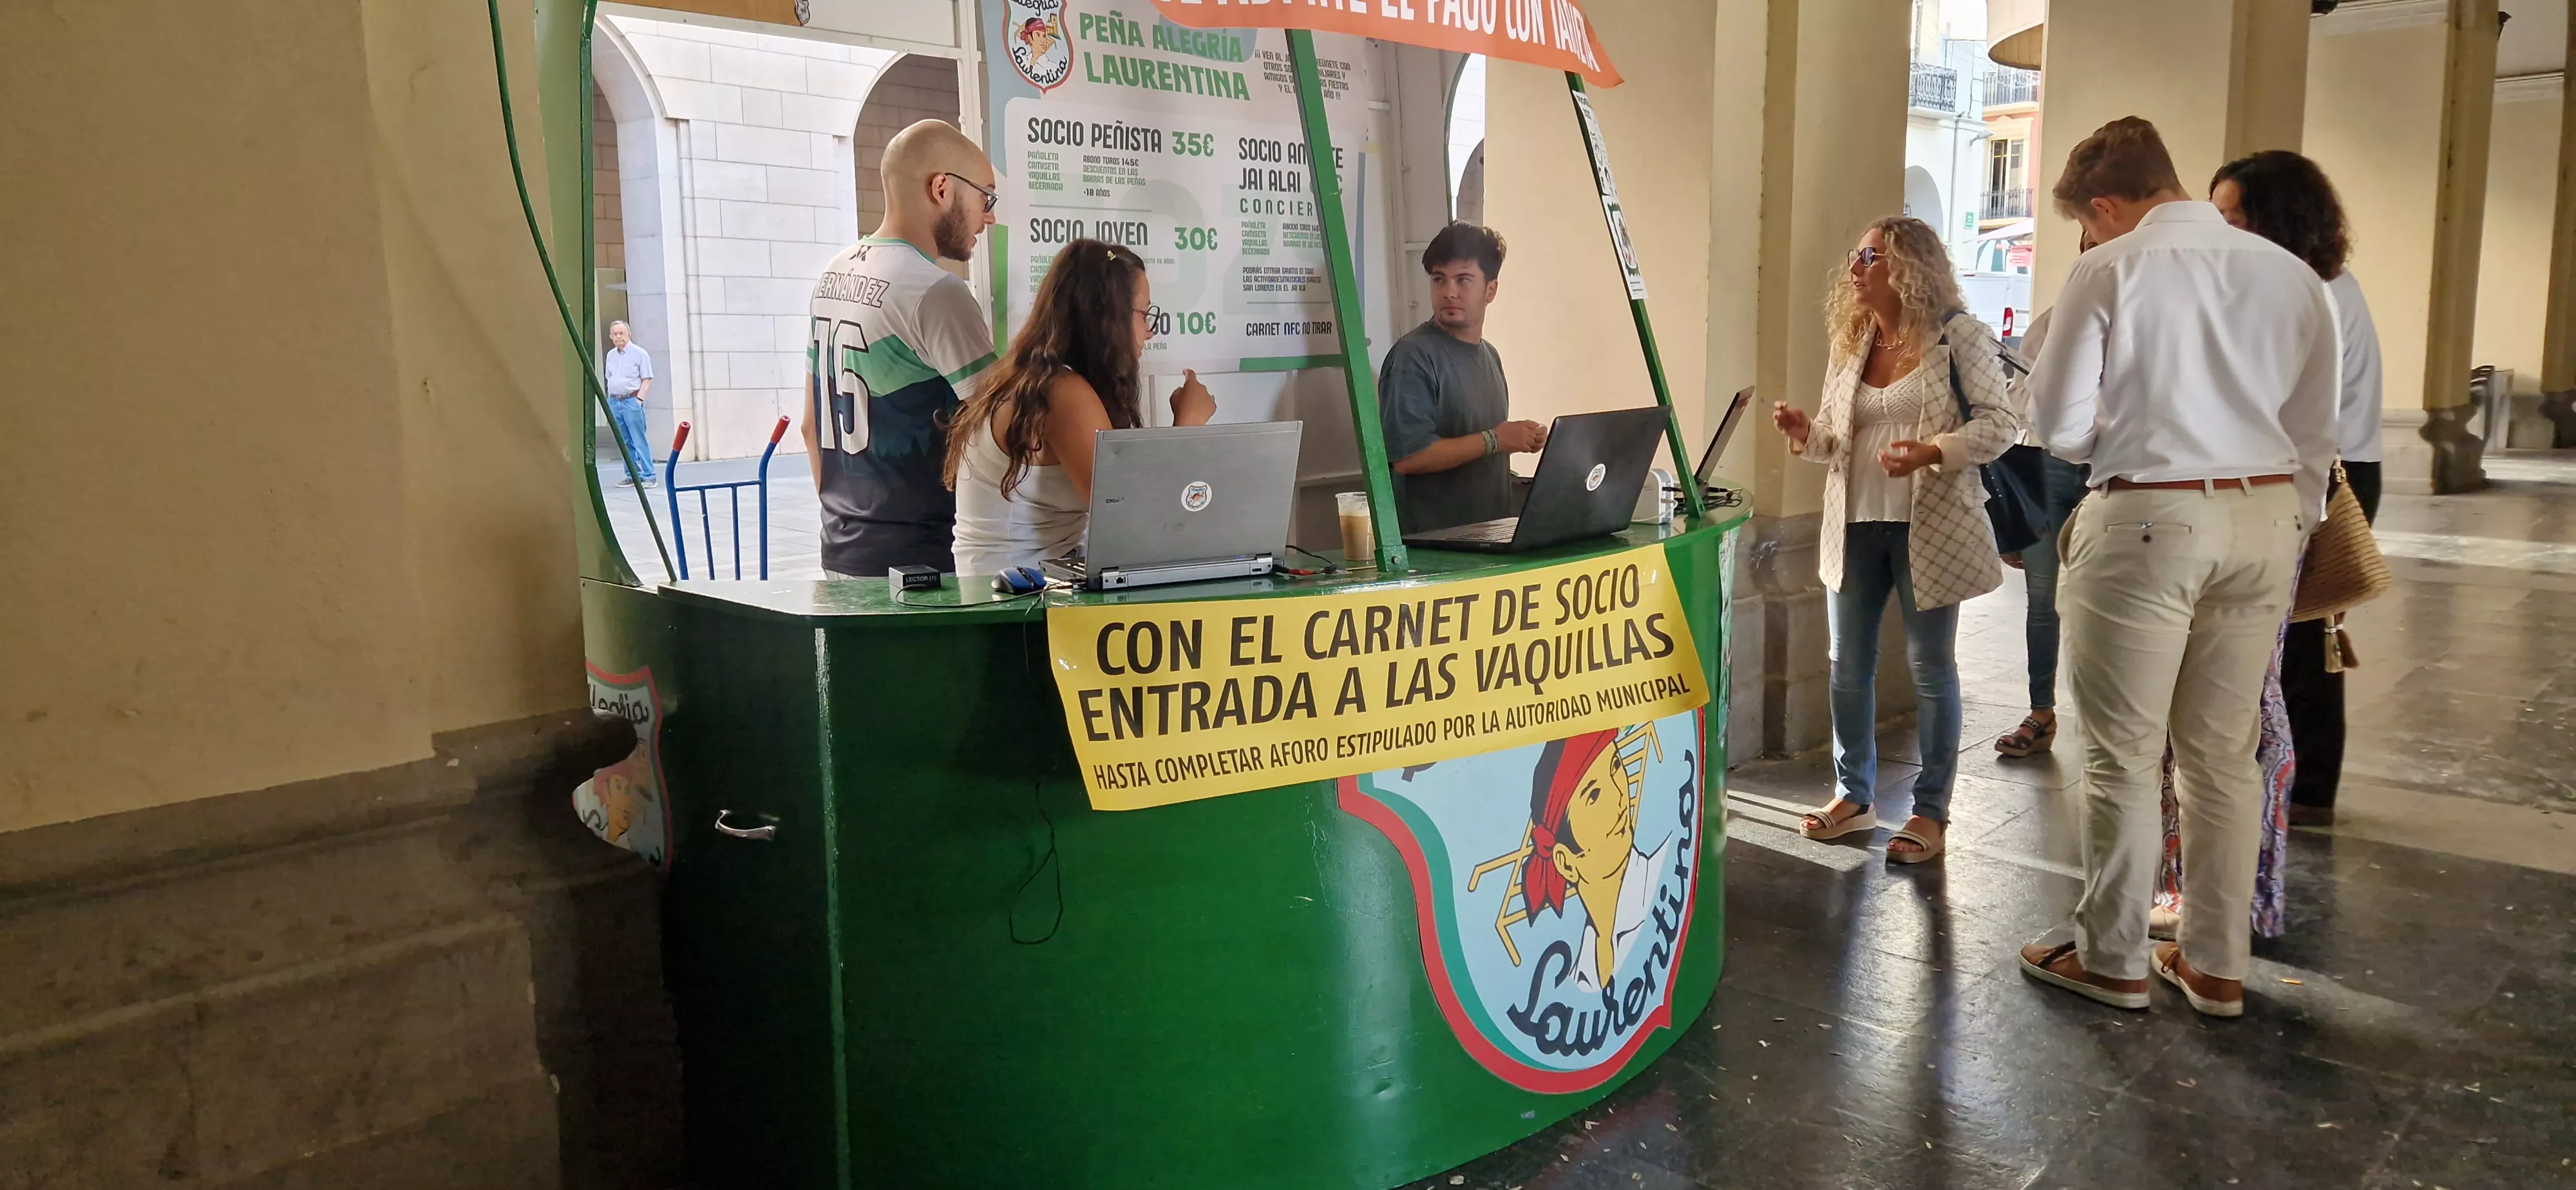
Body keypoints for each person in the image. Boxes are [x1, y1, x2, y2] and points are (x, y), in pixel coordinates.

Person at [2016, 118, 2338, 1019]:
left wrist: (2131, 416)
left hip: (2151, 514)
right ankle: (2216, 966)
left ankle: (2115, 957)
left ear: (2108, 207)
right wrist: (2292, 522)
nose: (2085, 238)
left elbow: (2061, 426)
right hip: (2268, 516)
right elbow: (2320, 427)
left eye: (2086, 221)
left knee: (2121, 752)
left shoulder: (2109, 269)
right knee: (2223, 756)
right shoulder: (2287, 273)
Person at [1772, 216, 2020, 864]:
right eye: (1856, 255)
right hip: (1853, 524)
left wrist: (1933, 450)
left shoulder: (1957, 338)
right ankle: (1853, 796)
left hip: (1929, 527)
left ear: (1909, 267)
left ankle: (1930, 812)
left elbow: (2002, 426)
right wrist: (1804, 432)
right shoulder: (1853, 340)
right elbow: (1832, 436)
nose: (1855, 267)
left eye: (1870, 256)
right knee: (1846, 667)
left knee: (1930, 671)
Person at [2214, 150, 2385, 827]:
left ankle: (2301, 786)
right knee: (2304, 635)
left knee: (2298, 638)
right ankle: (2308, 785)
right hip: (2331, 466)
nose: (2222, 233)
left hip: (2324, 475)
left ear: (2275, 219)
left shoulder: (2310, 291)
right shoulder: (2323, 282)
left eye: (2233, 217)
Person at [943, 240, 1215, 574]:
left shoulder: (1034, 375)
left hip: (1027, 585)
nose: (1149, 331)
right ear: (1106, 317)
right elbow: (1134, 523)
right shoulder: (1061, 392)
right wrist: (1188, 426)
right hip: (1011, 601)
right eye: (1144, 314)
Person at [803, 120, 1000, 578]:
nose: (989, 216)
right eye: (985, 197)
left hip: (841, 549)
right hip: (921, 564)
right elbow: (1004, 433)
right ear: (942, 189)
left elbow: (812, 426)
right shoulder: (937, 292)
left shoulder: (834, 273)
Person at [1994, 241, 2096, 760]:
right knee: (2042, 598)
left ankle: (2116, 722)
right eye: (2087, 246)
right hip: (2046, 468)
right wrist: (2013, 510)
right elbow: (2018, 399)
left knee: (2109, 600)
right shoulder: (2056, 319)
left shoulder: (2153, 319)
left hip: (2111, 471)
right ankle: (2041, 710)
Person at [1378, 222, 1549, 534]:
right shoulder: (1413, 357)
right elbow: (1408, 457)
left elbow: (1484, 446)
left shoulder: (1490, 356)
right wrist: (1496, 440)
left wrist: (1520, 438)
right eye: (1439, 280)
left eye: (1463, 280)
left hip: (1490, 537)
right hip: (1433, 550)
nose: (1449, 292)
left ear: (1491, 290)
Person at [601, 320, 657, 487]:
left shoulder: (640, 354)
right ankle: (632, 475)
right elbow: (609, 377)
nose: (618, 336)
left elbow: (647, 379)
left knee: (639, 439)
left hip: (632, 400)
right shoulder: (610, 355)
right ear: (611, 337)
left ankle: (649, 476)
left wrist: (639, 400)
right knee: (625, 441)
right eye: (615, 334)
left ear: (629, 334)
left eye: (622, 333)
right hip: (615, 401)